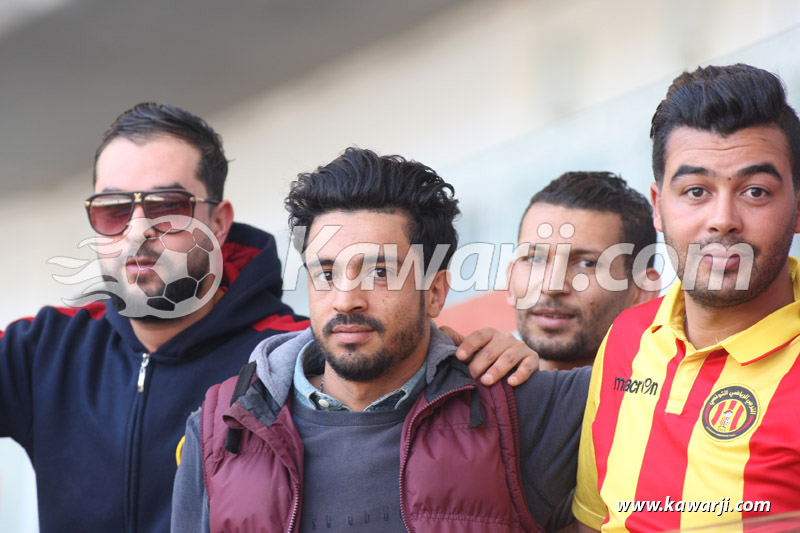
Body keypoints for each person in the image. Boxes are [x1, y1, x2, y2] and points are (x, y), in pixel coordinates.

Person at [0, 103, 535, 531]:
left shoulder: (296, 362)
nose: (138, 231)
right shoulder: (43, 349)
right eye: (114, 211)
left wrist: (493, 355)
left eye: (167, 206)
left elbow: (413, 360)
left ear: (220, 220)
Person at [172, 147, 590, 532]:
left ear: (437, 292)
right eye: (326, 273)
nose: (346, 300)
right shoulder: (221, 428)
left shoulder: (522, 406)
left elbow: (649, 369)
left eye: (380, 272)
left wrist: (539, 354)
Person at [573, 64, 800, 532]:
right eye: (696, 190)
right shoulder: (627, 340)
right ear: (658, 207)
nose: (723, 219)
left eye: (755, 191)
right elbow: (595, 521)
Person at [506, 172, 659, 370]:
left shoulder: (676, 397)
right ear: (510, 281)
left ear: (642, 291)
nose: (552, 286)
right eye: (535, 259)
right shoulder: (470, 387)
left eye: (587, 263)